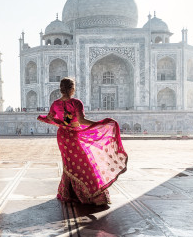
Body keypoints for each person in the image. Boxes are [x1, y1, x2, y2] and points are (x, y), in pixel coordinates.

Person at [38, 77, 128, 205]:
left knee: (69, 163)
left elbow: (49, 118)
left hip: (63, 136)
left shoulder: (55, 104)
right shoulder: (76, 103)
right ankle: (90, 193)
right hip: (73, 135)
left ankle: (69, 193)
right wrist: (99, 124)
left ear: (61, 89)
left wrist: (62, 124)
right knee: (84, 162)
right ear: (73, 89)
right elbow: (81, 121)